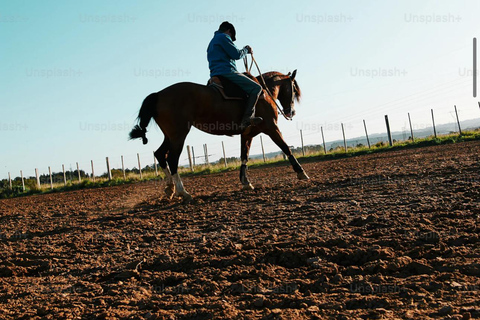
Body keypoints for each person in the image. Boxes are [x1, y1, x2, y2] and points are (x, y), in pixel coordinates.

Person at [207, 21, 263, 131]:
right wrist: (246, 50)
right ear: (229, 31)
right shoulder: (223, 37)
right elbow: (236, 54)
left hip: (215, 73)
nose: (231, 38)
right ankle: (247, 117)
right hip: (227, 71)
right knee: (257, 88)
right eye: (231, 37)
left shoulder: (212, 42)